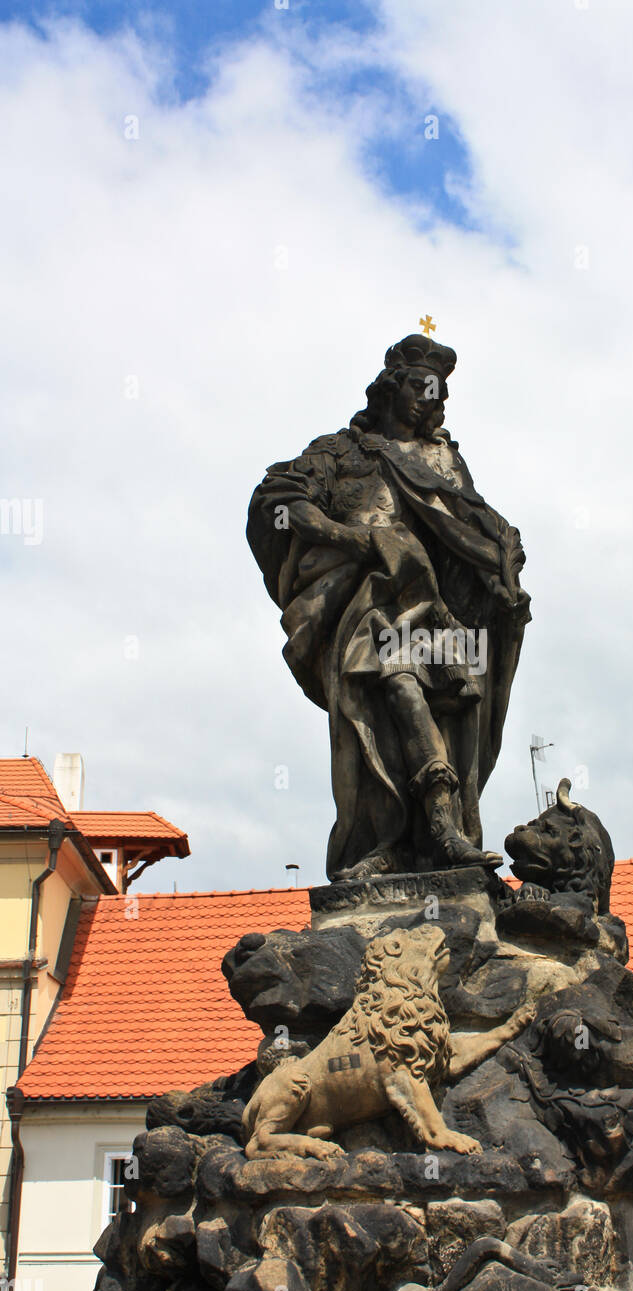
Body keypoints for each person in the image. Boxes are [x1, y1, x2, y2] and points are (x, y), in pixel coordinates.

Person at [247, 333, 530, 881]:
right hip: (370, 601)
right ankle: (413, 835)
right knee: (393, 676)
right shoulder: (341, 452)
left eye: (442, 394)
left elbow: (467, 530)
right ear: (392, 387)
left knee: (456, 702)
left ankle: (437, 840)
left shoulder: (444, 460)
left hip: (440, 610)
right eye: (422, 387)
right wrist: (354, 540)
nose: (433, 401)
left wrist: (499, 563)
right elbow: (278, 502)